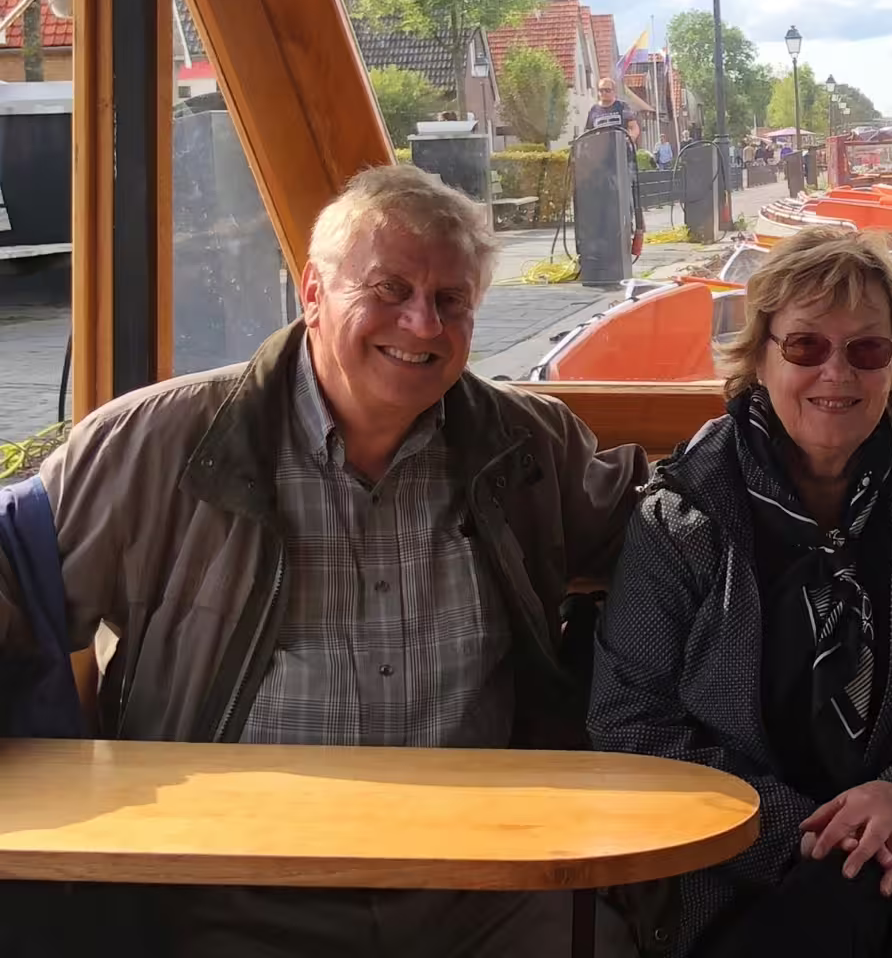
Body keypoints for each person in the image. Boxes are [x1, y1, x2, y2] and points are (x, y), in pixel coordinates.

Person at [0, 164, 645, 957]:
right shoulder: (154, 443)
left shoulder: (529, 447)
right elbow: (15, 583)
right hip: (226, 882)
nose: (422, 325)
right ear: (312, 292)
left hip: (483, 876)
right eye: (388, 290)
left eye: (451, 302)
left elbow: (671, 540)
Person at [589, 227, 892, 958]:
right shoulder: (684, 515)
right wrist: (802, 837)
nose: (837, 373)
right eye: (806, 346)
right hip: (729, 863)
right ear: (761, 358)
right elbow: (631, 725)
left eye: (867, 350)